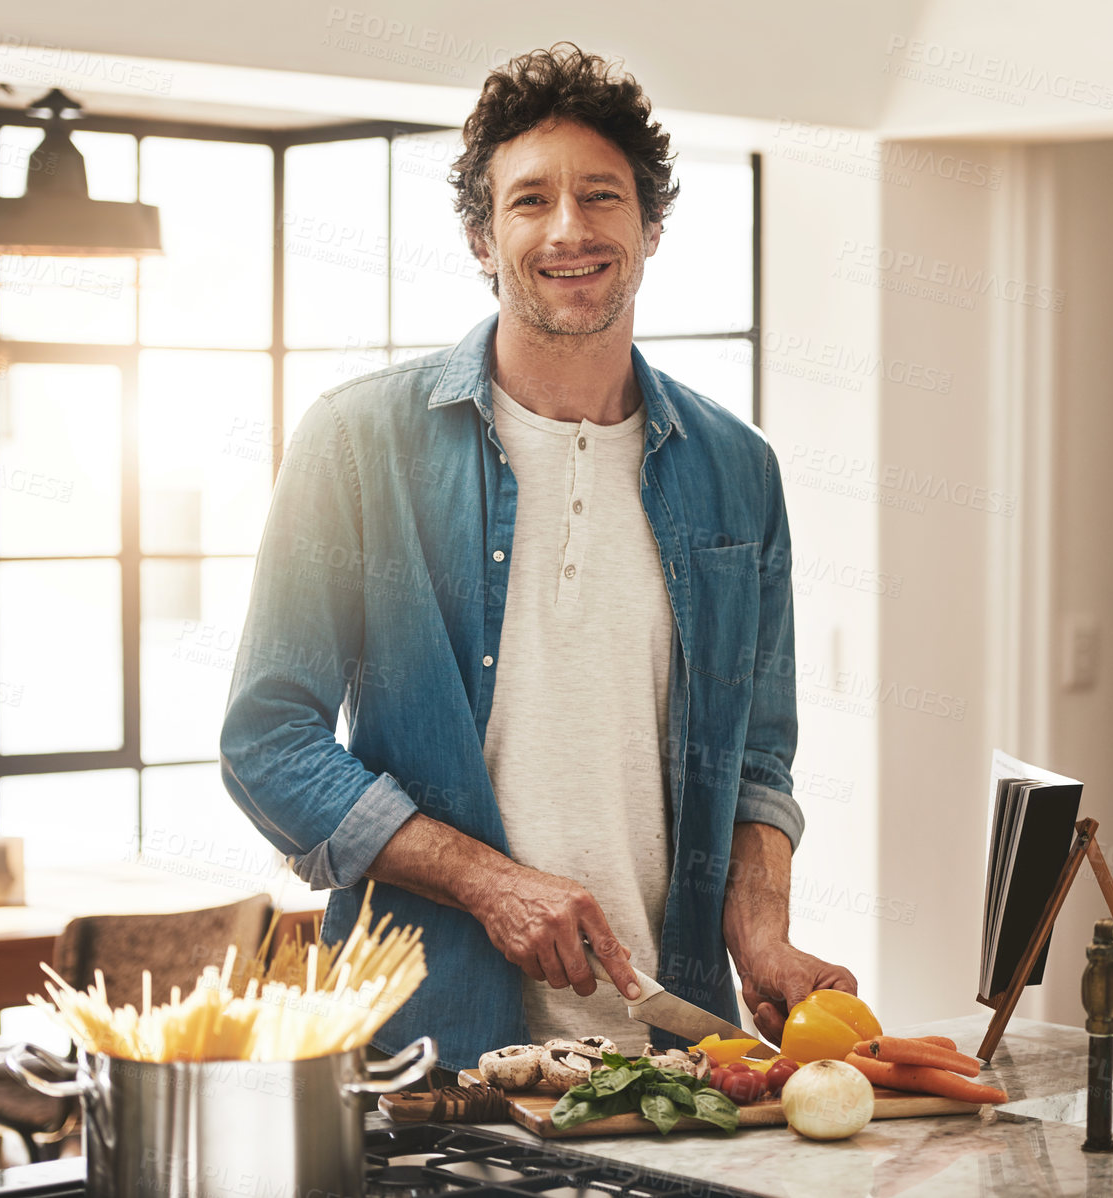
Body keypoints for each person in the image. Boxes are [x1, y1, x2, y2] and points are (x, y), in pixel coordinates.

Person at [219, 42, 855, 1076]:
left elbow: (755, 766)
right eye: (529, 201)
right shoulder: (354, 443)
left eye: (602, 196)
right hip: (424, 1062)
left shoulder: (740, 472)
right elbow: (267, 742)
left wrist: (761, 927)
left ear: (650, 228)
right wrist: (486, 880)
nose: (568, 229)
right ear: (481, 235)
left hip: (674, 1069)